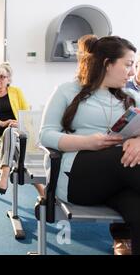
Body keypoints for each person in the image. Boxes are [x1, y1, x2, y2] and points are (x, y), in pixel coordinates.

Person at [40, 36, 140, 255]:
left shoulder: (132, 97)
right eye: (128, 64)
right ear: (107, 64)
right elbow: (45, 135)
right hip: (78, 177)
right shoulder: (66, 90)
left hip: (120, 179)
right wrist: (88, 142)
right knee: (119, 157)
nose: (132, 72)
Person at [0, 62, 44, 196]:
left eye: (2, 77)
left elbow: (26, 113)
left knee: (12, 133)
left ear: (8, 79)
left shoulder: (16, 92)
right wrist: (1, 123)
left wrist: (18, 123)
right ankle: (41, 191)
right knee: (10, 134)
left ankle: (4, 176)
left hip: (18, 135)